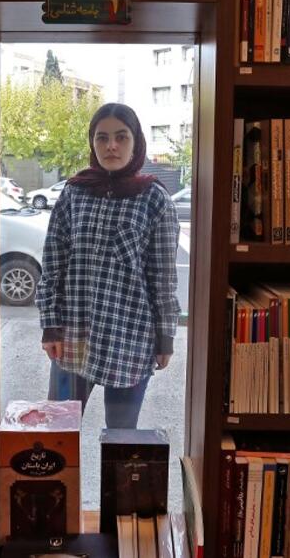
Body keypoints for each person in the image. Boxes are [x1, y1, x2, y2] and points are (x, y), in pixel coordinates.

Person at [35, 103, 181, 429]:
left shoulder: (154, 199)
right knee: (59, 432)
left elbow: (163, 278)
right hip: (73, 336)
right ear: (92, 143)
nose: (111, 146)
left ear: (136, 142)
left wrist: (165, 338)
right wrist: (50, 326)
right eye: (102, 137)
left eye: (121, 137)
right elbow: (53, 265)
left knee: (121, 440)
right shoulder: (74, 193)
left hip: (129, 339)